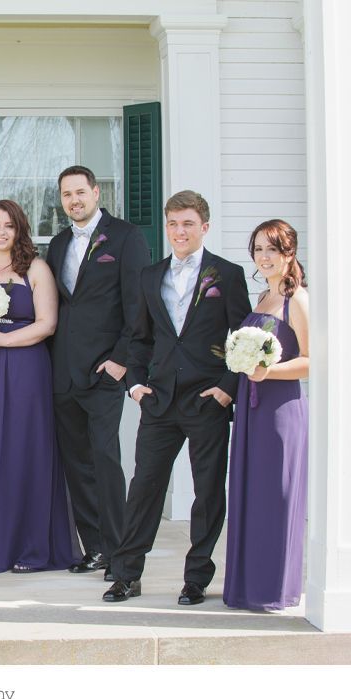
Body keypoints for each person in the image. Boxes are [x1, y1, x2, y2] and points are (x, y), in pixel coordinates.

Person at [104, 190, 251, 604]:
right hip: (160, 401)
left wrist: (227, 388)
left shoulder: (228, 274)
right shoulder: (150, 276)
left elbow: (243, 338)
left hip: (207, 399)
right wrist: (135, 385)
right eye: (173, 223)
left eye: (187, 223)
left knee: (207, 492)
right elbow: (139, 338)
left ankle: (197, 578)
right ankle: (127, 574)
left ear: (204, 227)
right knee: (144, 489)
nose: (179, 231)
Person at [0, 200, 80, 575]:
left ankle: (31, 545)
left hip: (26, 368)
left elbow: (47, 324)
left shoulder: (35, 269)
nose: (1, 232)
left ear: (19, 229)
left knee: (25, 449)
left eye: (8, 225)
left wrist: (2, 340)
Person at [44, 165, 149, 579]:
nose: (74, 200)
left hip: (105, 369)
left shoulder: (125, 237)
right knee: (77, 464)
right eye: (66, 194)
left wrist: (122, 360)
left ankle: (120, 552)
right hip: (63, 371)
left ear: (95, 192)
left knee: (105, 459)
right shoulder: (57, 244)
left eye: (80, 192)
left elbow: (138, 304)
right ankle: (96, 549)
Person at [223, 219, 308, 611]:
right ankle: (247, 586)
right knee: (250, 493)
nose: (264, 256)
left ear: (289, 252)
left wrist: (267, 371)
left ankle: (273, 589)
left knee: (275, 496)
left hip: (280, 412)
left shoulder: (298, 300)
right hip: (251, 408)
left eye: (272, 248)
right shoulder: (261, 297)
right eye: (258, 249)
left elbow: (311, 361)